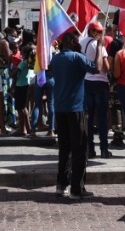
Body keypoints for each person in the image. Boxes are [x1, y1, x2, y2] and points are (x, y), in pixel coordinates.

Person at [48, 32, 101, 197]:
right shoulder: (77, 57)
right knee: (79, 149)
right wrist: (99, 47)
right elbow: (97, 68)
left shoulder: (56, 59)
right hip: (76, 108)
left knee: (64, 148)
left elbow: (51, 71)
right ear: (71, 41)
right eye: (76, 40)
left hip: (60, 108)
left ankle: (61, 184)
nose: (78, 43)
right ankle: (77, 189)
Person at [82, 20, 112, 158]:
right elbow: (106, 67)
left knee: (88, 118)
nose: (101, 33)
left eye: (101, 31)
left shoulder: (81, 43)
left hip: (86, 82)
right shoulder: (97, 44)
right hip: (100, 82)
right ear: (92, 31)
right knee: (102, 118)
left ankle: (90, 149)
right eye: (99, 31)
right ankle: (104, 149)